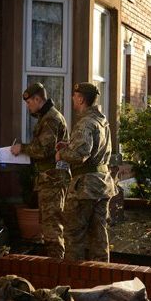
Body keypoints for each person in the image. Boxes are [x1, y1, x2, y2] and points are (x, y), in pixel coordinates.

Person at [55, 82, 117, 262]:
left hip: (85, 189)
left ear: (81, 99)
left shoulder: (85, 123)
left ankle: (74, 281)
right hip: (103, 185)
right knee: (99, 238)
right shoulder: (102, 121)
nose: (72, 98)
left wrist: (61, 153)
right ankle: (101, 278)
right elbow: (93, 150)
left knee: (74, 236)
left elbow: (80, 154)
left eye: (75, 96)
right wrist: (70, 146)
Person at [11, 83, 70, 258]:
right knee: (48, 224)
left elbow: (44, 150)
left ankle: (57, 268)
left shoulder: (50, 118)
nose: (28, 106)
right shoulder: (46, 117)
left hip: (53, 179)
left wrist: (21, 148)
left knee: (52, 227)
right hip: (50, 178)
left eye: (29, 102)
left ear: (38, 99)